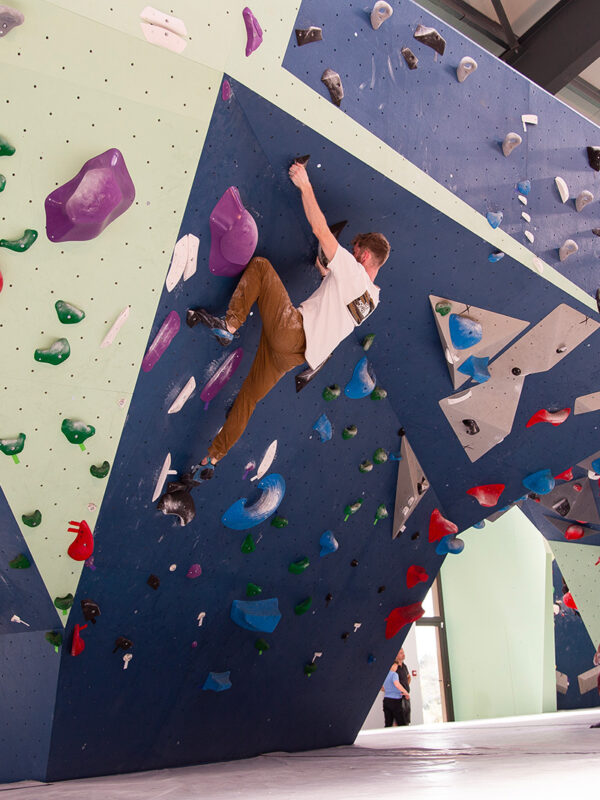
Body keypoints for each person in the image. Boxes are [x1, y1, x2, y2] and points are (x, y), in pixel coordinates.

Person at [183, 161, 390, 480]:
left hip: (292, 331)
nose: (349, 253)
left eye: (353, 250)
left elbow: (321, 231)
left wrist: (304, 184)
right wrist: (325, 272)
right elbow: (337, 296)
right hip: (293, 357)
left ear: (362, 256)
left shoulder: (354, 272)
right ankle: (211, 460)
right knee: (248, 400)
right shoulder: (370, 300)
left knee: (261, 267)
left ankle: (230, 326)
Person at [381, 655, 410, 727]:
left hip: (386, 700)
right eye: (395, 666)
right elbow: (397, 684)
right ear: (392, 666)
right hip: (395, 700)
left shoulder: (384, 675)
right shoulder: (394, 674)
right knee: (401, 722)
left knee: (388, 723)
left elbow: (383, 687)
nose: (396, 667)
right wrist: (405, 692)